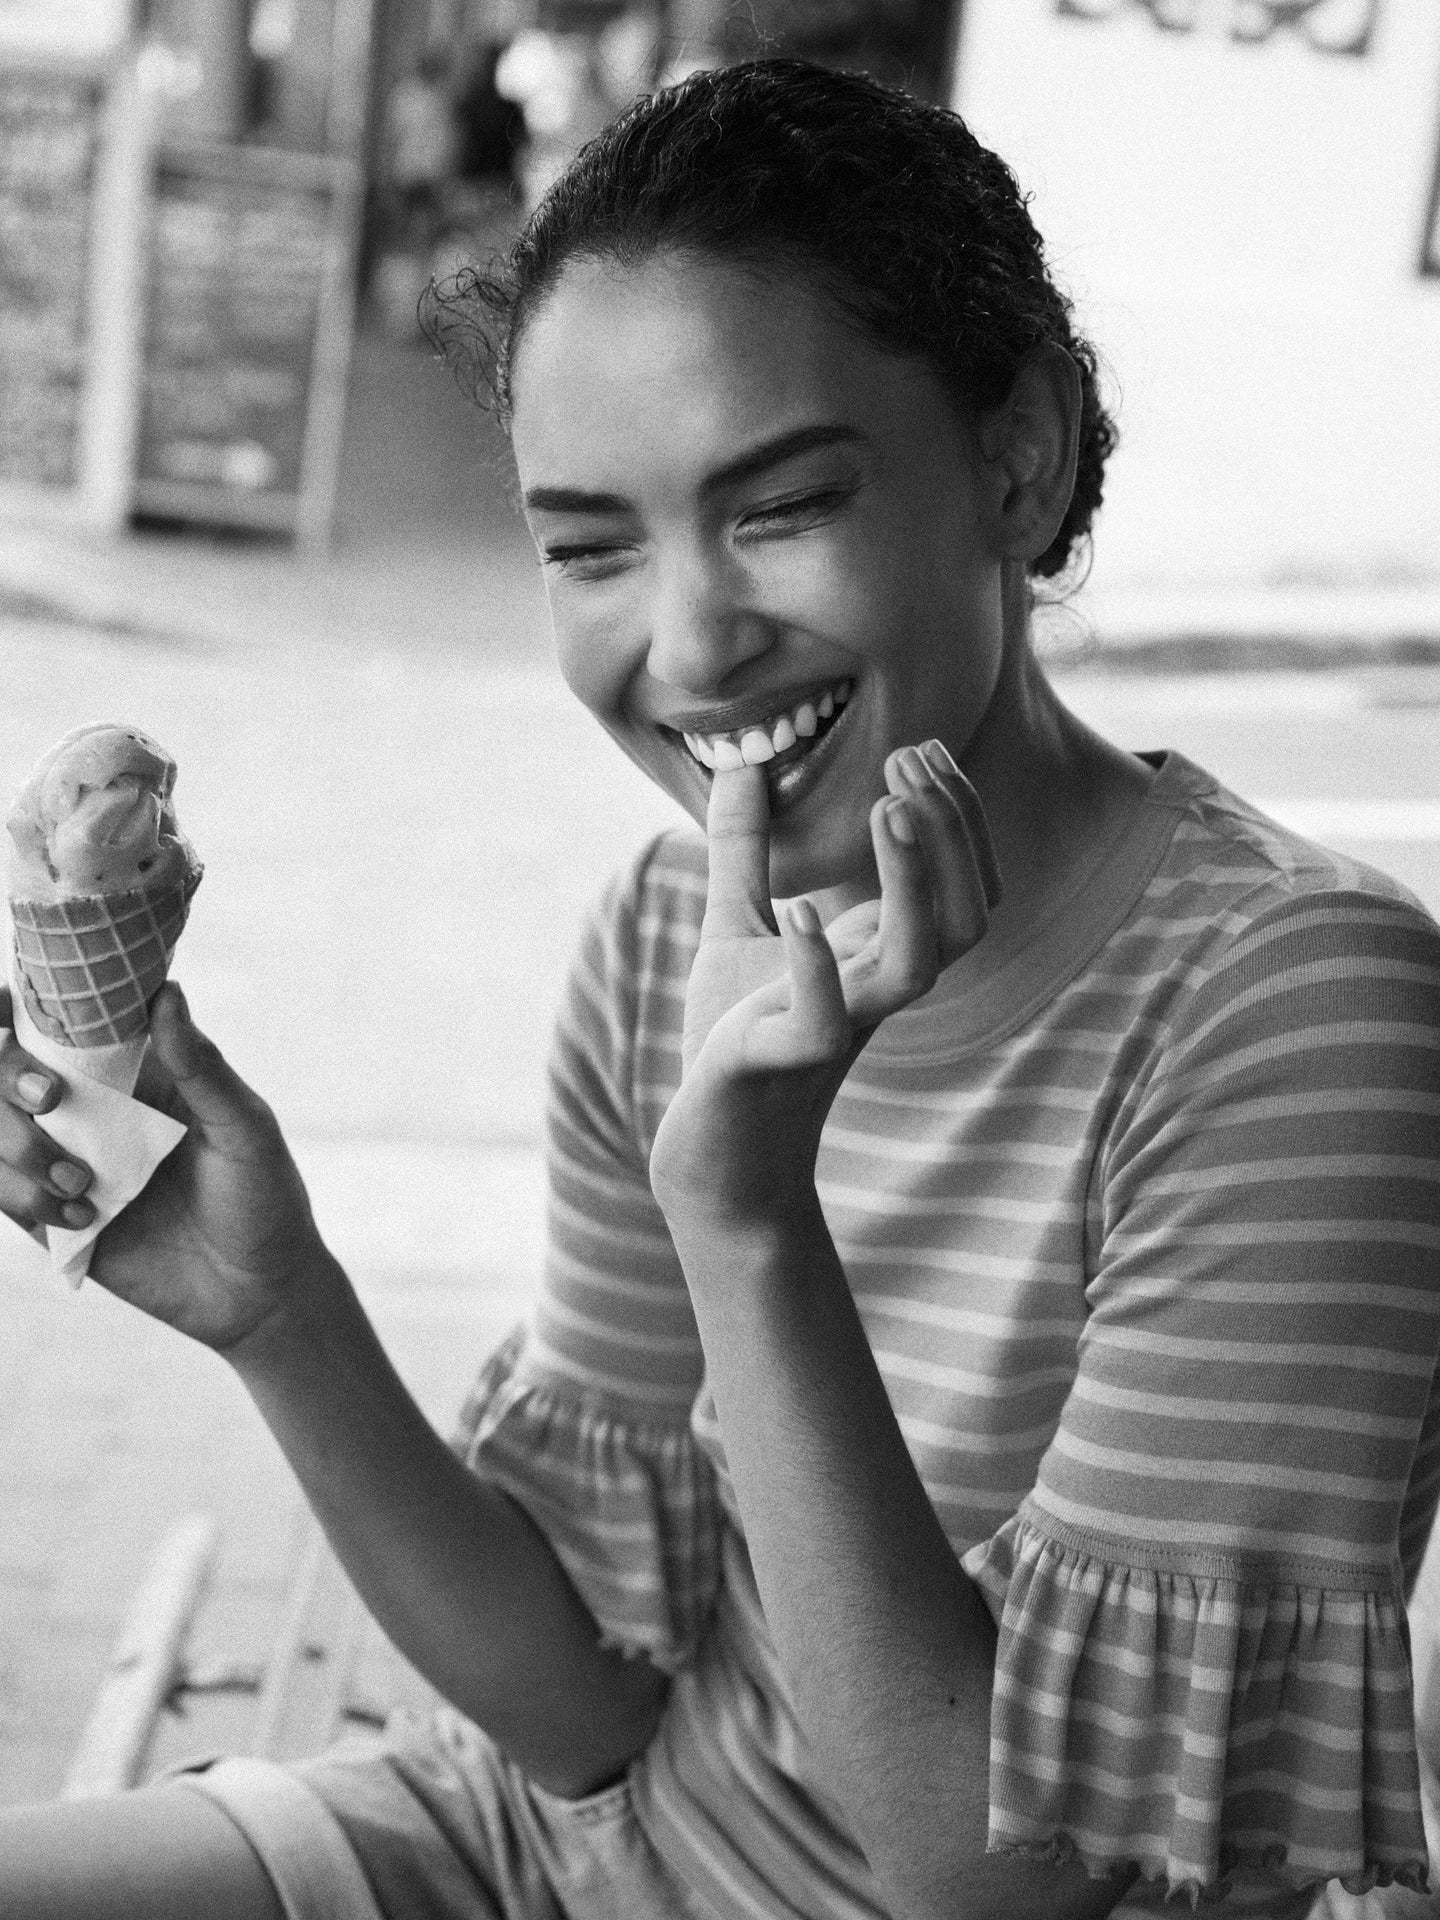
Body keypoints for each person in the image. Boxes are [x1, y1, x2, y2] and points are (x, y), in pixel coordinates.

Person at [2, 56, 1439, 1920]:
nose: (685, 645)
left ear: (1020, 458)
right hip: (552, 1849)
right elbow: (584, 1714)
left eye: (783, 506)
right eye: (590, 545)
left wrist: (748, 1214)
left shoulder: (1293, 1017)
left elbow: (988, 1881)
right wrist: (277, 1309)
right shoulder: (662, 937)